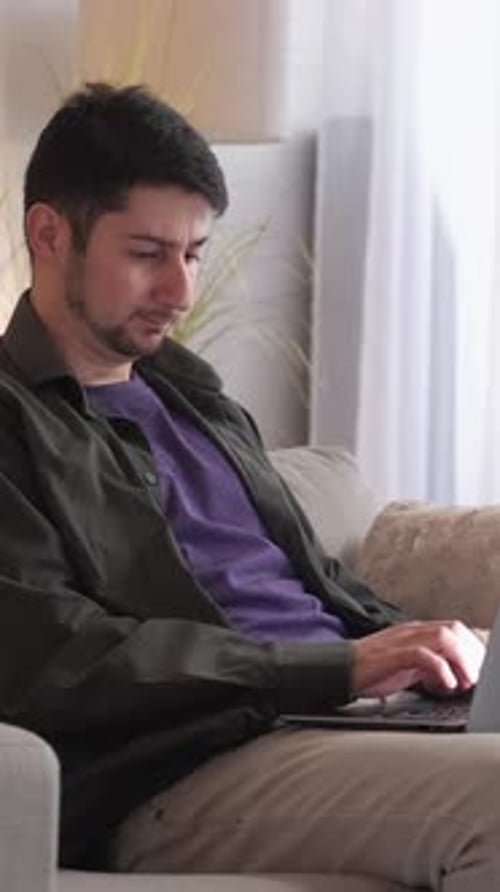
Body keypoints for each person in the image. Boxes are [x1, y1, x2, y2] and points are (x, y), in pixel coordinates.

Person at [0, 82, 498, 890]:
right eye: (147, 254)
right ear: (50, 234)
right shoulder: (14, 421)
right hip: (181, 767)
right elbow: (59, 658)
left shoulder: (195, 398)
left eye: (193, 254)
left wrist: (426, 646)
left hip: (330, 718)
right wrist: (333, 668)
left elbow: (311, 585)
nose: (181, 292)